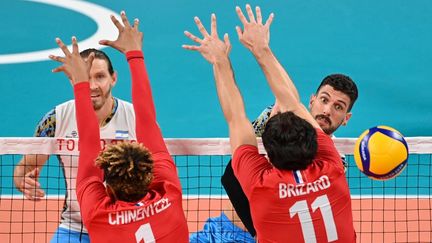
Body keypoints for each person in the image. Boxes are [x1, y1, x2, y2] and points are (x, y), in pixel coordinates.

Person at [184, 4, 356, 242]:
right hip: (231, 226)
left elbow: (237, 117)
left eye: (338, 106)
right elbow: (293, 104)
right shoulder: (331, 164)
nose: (327, 110)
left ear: (270, 157)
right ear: (312, 142)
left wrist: (221, 61)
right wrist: (261, 50)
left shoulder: (262, 185)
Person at [49, 11, 189, 243]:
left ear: (108, 189)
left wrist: (81, 82)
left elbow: (88, 143)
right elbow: (147, 123)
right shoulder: (169, 193)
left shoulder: (97, 214)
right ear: (149, 174)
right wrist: (134, 55)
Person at [13, 23, 136, 243]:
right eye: (85, 78)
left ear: (114, 78)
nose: (92, 86)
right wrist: (21, 177)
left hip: (124, 224)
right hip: (76, 228)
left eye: (99, 77)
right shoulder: (56, 119)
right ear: (72, 80)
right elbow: (27, 166)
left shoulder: (134, 117)